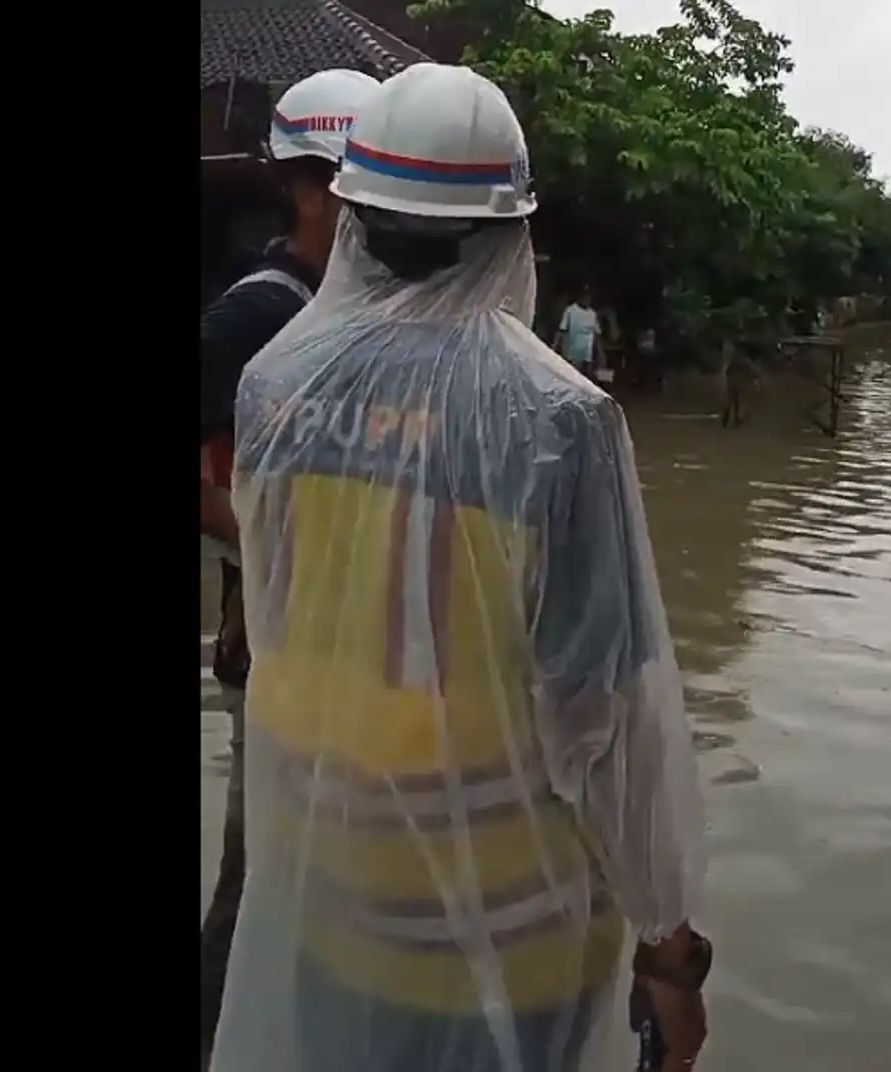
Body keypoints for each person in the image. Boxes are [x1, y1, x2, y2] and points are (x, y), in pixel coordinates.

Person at [212, 62, 710, 1072]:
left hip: (327, 894)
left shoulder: (276, 388)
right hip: (507, 933)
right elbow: (609, 712)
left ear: (348, 211)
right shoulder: (557, 422)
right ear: (507, 232)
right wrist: (669, 943)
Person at [198, 65, 380, 1072]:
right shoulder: (259, 312)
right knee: (260, 879)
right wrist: (254, 538)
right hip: (272, 645)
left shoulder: (343, 311)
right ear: (306, 189)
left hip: (344, 654)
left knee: (318, 879)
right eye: (351, 190)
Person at [554, 285, 602, 377]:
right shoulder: (570, 310)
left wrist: (600, 353)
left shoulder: (592, 314)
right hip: (571, 355)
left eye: (588, 297)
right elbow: (561, 330)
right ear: (579, 296)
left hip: (586, 356)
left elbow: (597, 334)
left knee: (586, 378)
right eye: (584, 296)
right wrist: (555, 346)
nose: (586, 299)